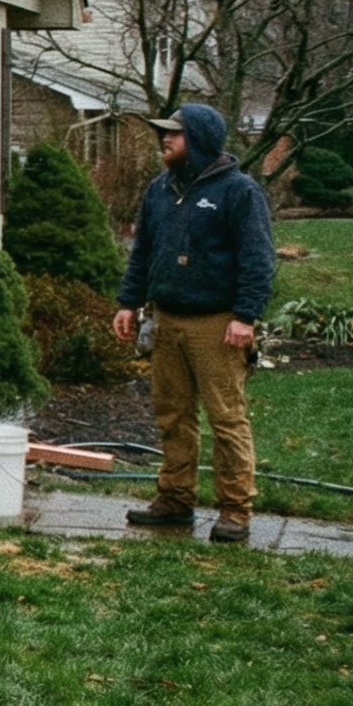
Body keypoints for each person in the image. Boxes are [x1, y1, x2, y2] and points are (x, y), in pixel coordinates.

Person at [111, 102, 275, 543]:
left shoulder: (238, 192)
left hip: (217, 324)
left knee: (226, 419)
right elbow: (143, 252)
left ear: (199, 140)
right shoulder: (159, 190)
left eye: (174, 134)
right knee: (172, 415)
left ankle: (235, 510)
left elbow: (258, 260)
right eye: (164, 133)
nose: (164, 139)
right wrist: (129, 303)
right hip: (167, 320)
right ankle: (175, 501)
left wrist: (245, 316)